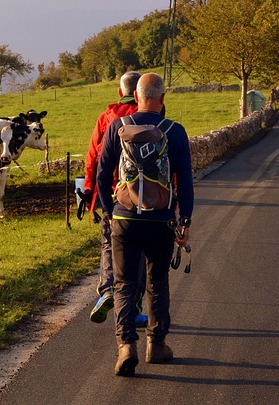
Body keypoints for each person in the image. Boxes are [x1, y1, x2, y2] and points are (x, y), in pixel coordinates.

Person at [95, 72, 193, 376]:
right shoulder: (175, 131)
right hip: (161, 220)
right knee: (157, 281)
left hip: (123, 218)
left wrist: (108, 211)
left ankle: (126, 346)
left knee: (124, 284)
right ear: (162, 99)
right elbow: (185, 182)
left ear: (135, 96)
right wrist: (184, 221)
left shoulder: (116, 127)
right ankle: (157, 345)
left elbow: (102, 174)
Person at [81, 70, 142, 324]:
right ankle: (133, 308)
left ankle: (107, 291)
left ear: (120, 92)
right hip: (141, 197)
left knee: (109, 244)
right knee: (138, 251)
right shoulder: (148, 116)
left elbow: (93, 158)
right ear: (140, 93)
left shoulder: (106, 118)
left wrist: (89, 193)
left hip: (111, 195)